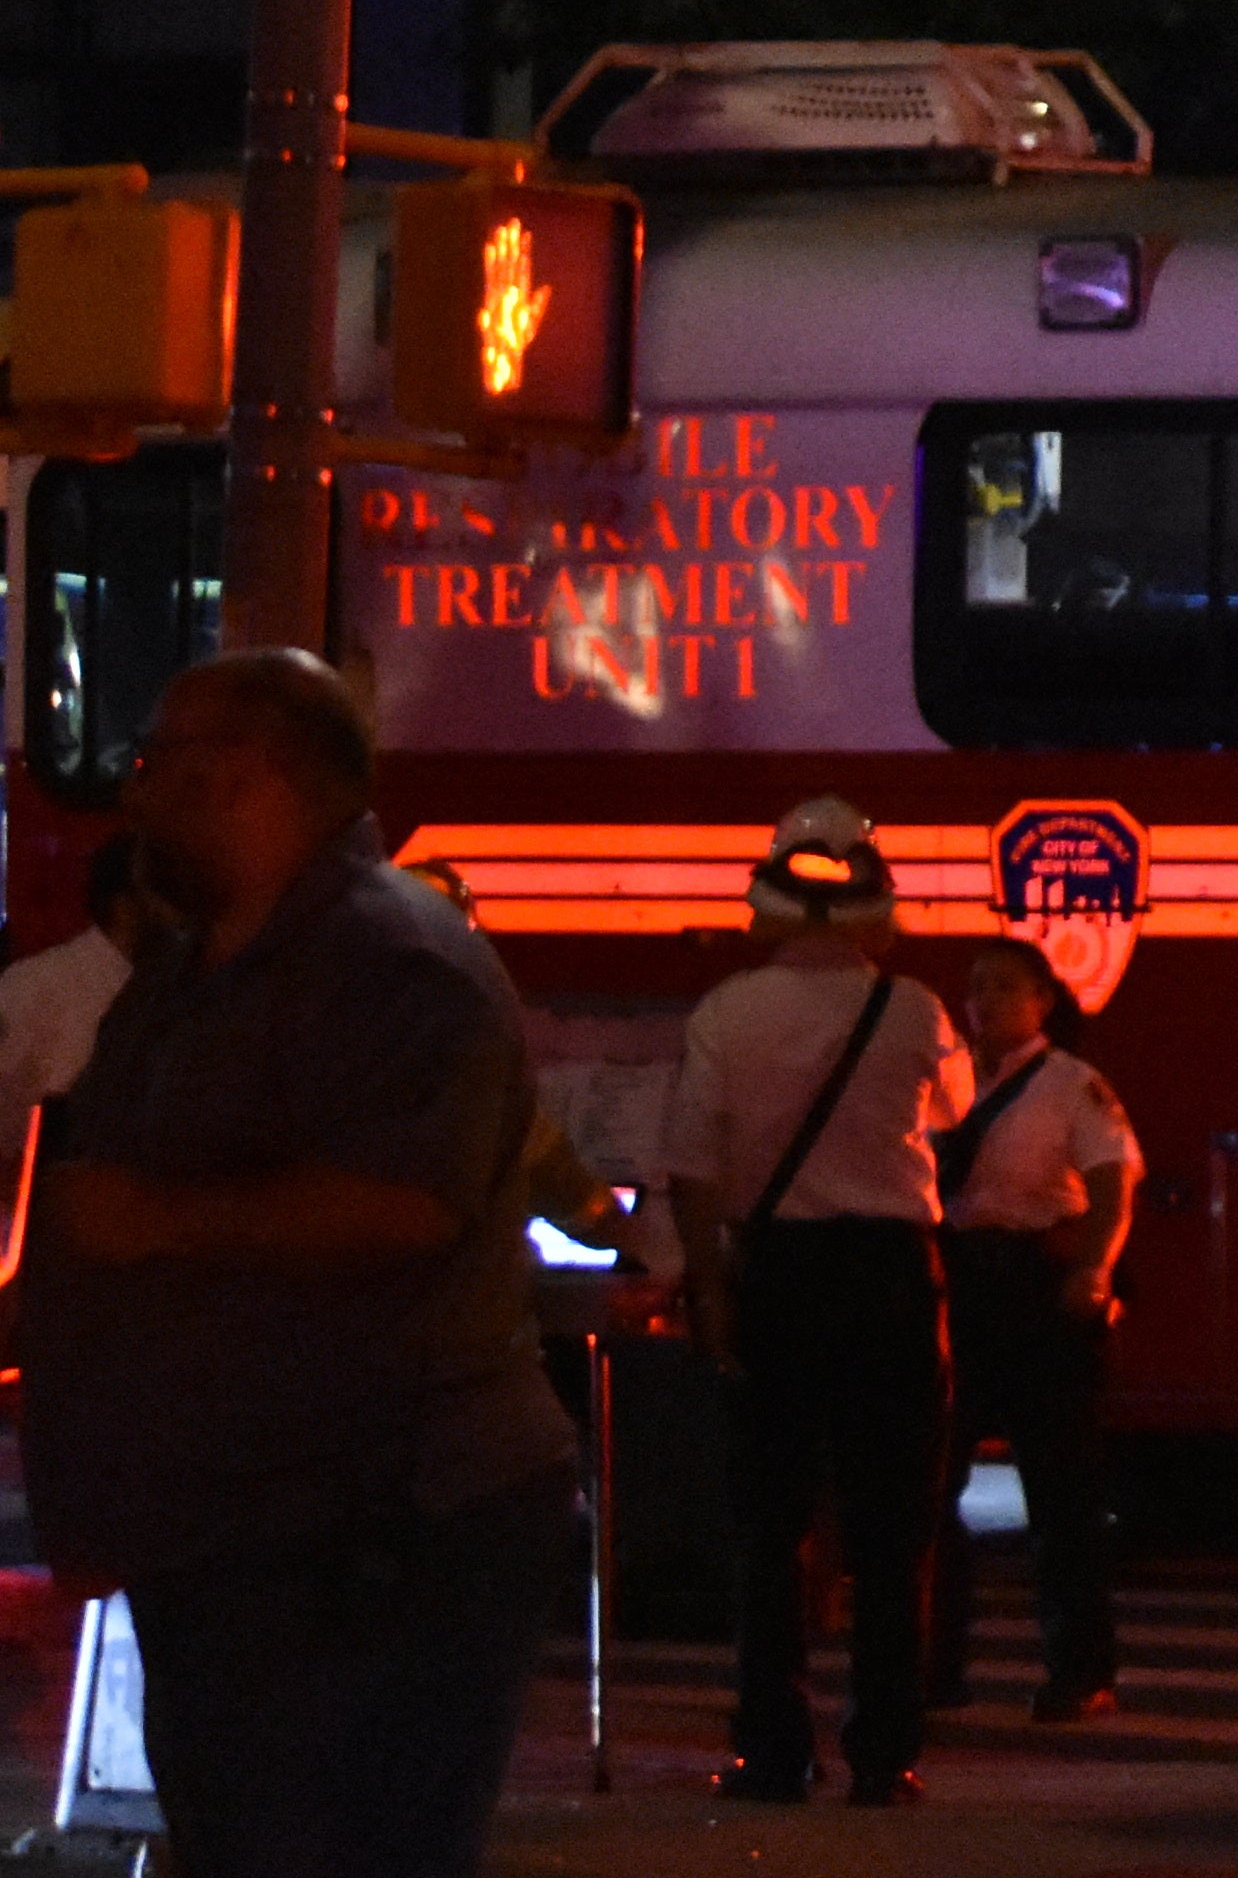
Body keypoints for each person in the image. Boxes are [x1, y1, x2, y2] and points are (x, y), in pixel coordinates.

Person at [18, 650, 577, 1878]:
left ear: (253, 777)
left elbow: (401, 1205)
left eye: (158, 763)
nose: (135, 795)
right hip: (236, 1529)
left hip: (381, 1527)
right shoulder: (186, 971)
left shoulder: (396, 962)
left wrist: (159, 1221)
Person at [668, 795, 975, 1806]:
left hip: (778, 1277)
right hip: (891, 1276)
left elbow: (694, 1166)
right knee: (894, 1529)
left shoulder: (724, 1012)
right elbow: (954, 1111)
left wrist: (712, 1290)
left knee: (771, 1524)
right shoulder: (917, 1010)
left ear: (768, 905)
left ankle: (773, 1748)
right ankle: (886, 1753)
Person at [928, 936, 1136, 1719]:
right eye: (977, 987)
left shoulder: (1072, 1086)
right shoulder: (946, 1085)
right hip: (959, 1288)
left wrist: (1094, 1270)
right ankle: (933, 1667)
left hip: (1038, 1293)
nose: (987, 1002)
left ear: (1045, 1000)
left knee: (1062, 1494)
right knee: (932, 1487)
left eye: (1007, 988)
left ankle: (1081, 1671)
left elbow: (1113, 1186)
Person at [0, 834, 173, 1128]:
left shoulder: (167, 987)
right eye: (166, 896)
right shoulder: (40, 984)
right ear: (126, 906)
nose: (178, 916)